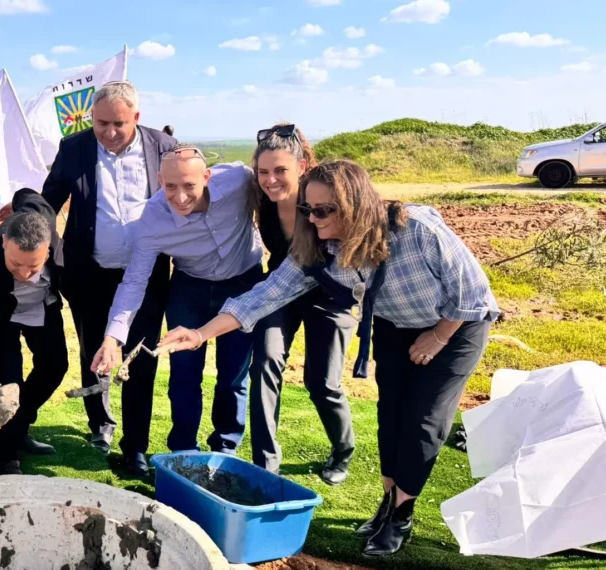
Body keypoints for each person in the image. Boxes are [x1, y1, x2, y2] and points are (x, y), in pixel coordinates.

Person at [158, 160, 499, 558]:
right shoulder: (320, 246)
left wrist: (438, 336)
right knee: (390, 417)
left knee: (424, 421)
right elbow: (265, 295)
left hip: (456, 326)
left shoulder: (417, 229)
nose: (313, 218)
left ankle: (402, 515)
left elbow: (474, 294)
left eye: (324, 210)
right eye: (308, 209)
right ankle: (387, 504)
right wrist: (200, 334)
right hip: (395, 325)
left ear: (354, 205)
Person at [38, 80, 175, 475]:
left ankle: (135, 447)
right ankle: (100, 424)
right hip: (88, 275)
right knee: (95, 352)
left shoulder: (164, 148)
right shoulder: (74, 148)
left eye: (118, 124)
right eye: (101, 124)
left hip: (147, 276)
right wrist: (24, 224)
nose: (109, 133)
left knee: (139, 359)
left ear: (136, 117)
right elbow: (49, 203)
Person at [92, 145, 264, 457]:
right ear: (159, 180)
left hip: (243, 283)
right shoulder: (153, 221)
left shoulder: (239, 180)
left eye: (190, 186)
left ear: (208, 177)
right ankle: (184, 451)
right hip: (190, 289)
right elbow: (133, 282)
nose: (180, 197)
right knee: (184, 375)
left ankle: (225, 449)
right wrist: (112, 338)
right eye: (170, 186)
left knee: (234, 375)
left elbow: (277, 182)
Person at [247, 124, 356, 486]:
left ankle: (343, 451)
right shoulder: (260, 198)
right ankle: (265, 463)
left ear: (303, 166)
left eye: (281, 170)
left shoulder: (326, 198)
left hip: (331, 293)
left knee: (321, 382)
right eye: (263, 172)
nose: (271, 180)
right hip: (282, 287)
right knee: (265, 361)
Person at [0, 191, 69, 476]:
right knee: (10, 379)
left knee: (55, 365)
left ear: (49, 246)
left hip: (42, 306)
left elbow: (27, 195)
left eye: (33, 266)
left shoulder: (45, 219)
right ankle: (5, 457)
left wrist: (14, 202)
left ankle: (18, 427)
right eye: (15, 264)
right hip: (2, 313)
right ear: (5, 240)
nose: (23, 274)